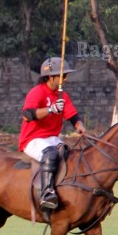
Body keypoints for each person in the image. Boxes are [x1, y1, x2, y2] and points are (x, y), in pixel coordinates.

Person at [19, 57, 87, 211]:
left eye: (66, 75)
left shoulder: (62, 95)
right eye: (63, 76)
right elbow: (27, 115)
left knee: (70, 155)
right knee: (51, 155)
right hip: (33, 139)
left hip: (52, 138)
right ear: (51, 77)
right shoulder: (37, 92)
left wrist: (79, 126)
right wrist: (51, 109)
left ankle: (67, 188)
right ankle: (46, 193)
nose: (66, 79)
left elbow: (73, 116)